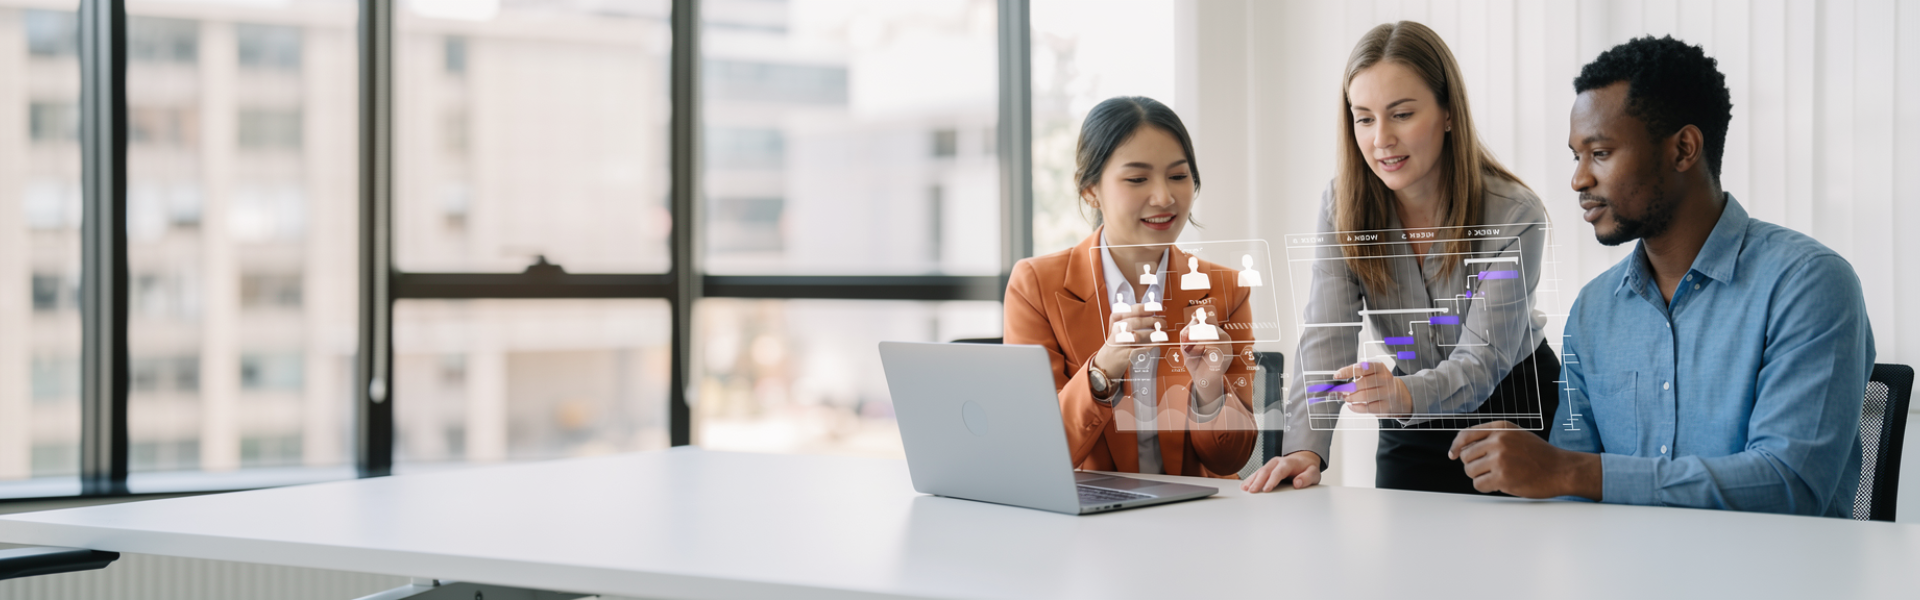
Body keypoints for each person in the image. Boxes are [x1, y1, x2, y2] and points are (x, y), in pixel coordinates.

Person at [1448, 36, 1875, 516]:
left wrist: (1571, 472)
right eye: (1576, 156)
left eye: (1601, 153)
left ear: (1684, 148)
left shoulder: (1809, 285)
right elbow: (1569, 492)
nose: (1579, 180)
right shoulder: (1592, 311)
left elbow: (1788, 485)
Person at [1244, 21, 1557, 494]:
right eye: (1364, 118)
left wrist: (1402, 393)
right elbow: (1327, 335)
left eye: (1402, 114)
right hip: (1407, 408)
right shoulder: (1342, 205)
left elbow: (1483, 360)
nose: (1381, 139)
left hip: (1511, 410)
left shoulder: (1515, 213)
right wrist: (1303, 449)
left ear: (1449, 112)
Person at [1004, 96, 1282, 480]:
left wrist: (1210, 390)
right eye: (1137, 179)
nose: (1165, 198)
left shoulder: (1226, 289)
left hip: (1192, 519)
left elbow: (1230, 460)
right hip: (1089, 518)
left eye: (1179, 176)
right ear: (1090, 190)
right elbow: (1032, 449)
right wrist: (1101, 373)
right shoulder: (1036, 286)